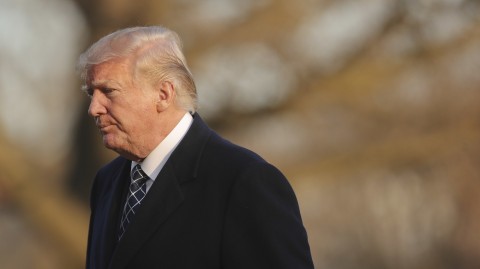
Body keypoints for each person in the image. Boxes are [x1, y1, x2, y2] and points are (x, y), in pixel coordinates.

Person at [77, 26, 314, 269]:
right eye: (91, 93)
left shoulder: (243, 181)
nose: (94, 108)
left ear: (163, 94)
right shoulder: (107, 181)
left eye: (109, 91)